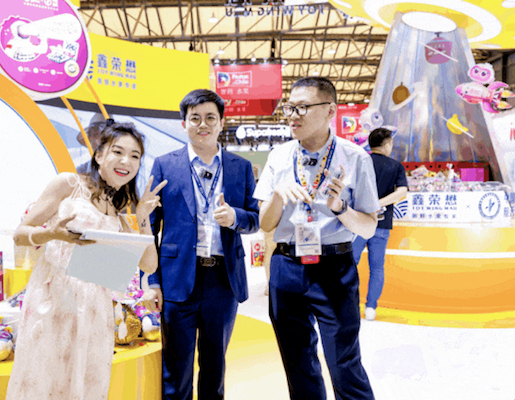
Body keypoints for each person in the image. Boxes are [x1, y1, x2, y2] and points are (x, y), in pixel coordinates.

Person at [6, 122, 167, 400]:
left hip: (94, 313)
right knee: (42, 382)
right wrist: (51, 234)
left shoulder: (118, 212)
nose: (126, 161)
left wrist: (142, 216)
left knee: (85, 387)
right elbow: (20, 235)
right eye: (118, 151)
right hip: (53, 304)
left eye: (135, 156)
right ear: (99, 155)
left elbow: (149, 265)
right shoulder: (69, 184)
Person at [253, 77, 379, 400]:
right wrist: (277, 195)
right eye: (290, 107)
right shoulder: (279, 156)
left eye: (303, 107)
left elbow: (368, 227)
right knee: (298, 364)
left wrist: (341, 209)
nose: (293, 115)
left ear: (330, 111)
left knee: (344, 363)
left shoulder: (355, 158)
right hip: (286, 266)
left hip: (334, 267)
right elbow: (266, 224)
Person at [142, 89, 260, 400]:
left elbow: (255, 219)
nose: (202, 124)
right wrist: (152, 281)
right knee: (176, 369)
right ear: (184, 124)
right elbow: (149, 227)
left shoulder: (240, 167)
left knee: (214, 366)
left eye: (210, 117)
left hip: (223, 280)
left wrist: (235, 217)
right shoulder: (165, 165)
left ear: (221, 122)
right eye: (195, 118)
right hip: (177, 278)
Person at [352, 127, 408, 321]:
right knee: (377, 267)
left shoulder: (360, 162)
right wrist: (379, 203)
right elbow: (402, 191)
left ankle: (350, 304)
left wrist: (369, 203)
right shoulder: (396, 166)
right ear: (387, 144)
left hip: (358, 222)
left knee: (351, 264)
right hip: (382, 224)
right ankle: (371, 308)